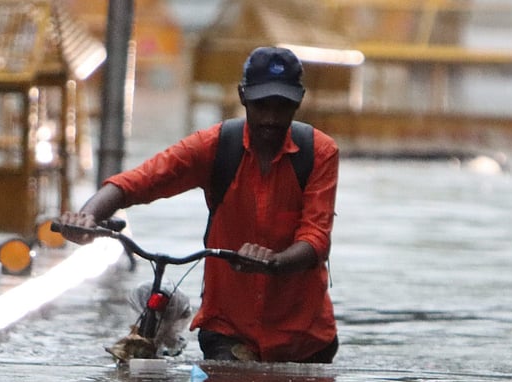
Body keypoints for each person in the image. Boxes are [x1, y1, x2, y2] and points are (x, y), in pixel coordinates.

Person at [57, 47, 339, 363]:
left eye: (282, 106)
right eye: (262, 105)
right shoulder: (217, 146)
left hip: (305, 338)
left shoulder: (319, 154)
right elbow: (139, 181)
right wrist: (87, 217)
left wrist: (274, 262)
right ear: (243, 96)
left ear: (298, 100)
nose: (271, 118)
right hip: (229, 331)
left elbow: (316, 239)